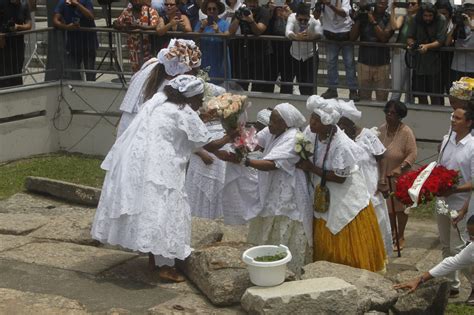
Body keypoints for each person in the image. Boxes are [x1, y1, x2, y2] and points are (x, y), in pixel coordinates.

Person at [91, 75, 235, 282]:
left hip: (142, 162)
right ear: (191, 97)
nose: (201, 103)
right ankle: (165, 265)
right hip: (161, 166)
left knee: (150, 207)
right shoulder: (183, 112)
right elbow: (208, 144)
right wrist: (231, 134)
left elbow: (193, 144)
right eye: (200, 98)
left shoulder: (159, 104)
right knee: (165, 210)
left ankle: (154, 257)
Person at [296, 95, 386, 272]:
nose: (311, 123)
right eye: (311, 118)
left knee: (342, 229)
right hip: (322, 193)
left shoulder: (342, 144)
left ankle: (350, 273)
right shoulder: (310, 133)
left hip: (344, 196)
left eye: (316, 120)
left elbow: (340, 177)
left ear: (327, 123)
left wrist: (311, 168)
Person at [230, 103, 312, 276]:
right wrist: (237, 138)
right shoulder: (272, 130)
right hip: (271, 185)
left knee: (283, 219)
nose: (270, 124)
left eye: (274, 121)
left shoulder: (294, 138)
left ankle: (286, 268)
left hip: (288, 189)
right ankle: (264, 262)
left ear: (286, 123)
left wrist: (244, 161)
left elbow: (271, 164)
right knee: (268, 217)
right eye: (271, 121)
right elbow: (251, 143)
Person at [337, 100, 393, 256]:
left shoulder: (368, 135)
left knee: (376, 218)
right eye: (338, 124)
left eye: (343, 124)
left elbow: (382, 157)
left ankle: (377, 254)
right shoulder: (339, 138)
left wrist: (382, 180)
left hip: (370, 184)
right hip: (349, 187)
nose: (340, 128)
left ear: (352, 124)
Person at [116, 39, 201, 137]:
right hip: (142, 127)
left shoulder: (151, 63)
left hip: (128, 118)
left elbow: (133, 81)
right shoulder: (171, 85)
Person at [436, 106, 474, 298]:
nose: (453, 120)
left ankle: (471, 282)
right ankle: (451, 284)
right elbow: (440, 168)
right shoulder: (446, 140)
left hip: (461, 202)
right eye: (453, 117)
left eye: (458, 118)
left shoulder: (472, 146)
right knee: (445, 244)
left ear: (468, 122)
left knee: (459, 247)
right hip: (442, 200)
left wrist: (455, 189)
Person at [394, 215, 474, 306]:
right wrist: (418, 280)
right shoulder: (472, 248)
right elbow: (450, 263)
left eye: (473, 235)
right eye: (469, 234)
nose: (470, 239)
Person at [377, 100, 417, 251]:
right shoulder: (382, 129)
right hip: (384, 174)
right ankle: (392, 233)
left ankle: (401, 236)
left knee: (401, 207)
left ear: (400, 116)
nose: (389, 115)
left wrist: (401, 167)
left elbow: (413, 153)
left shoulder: (406, 132)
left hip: (401, 176)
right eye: (387, 111)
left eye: (393, 113)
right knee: (389, 208)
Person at [313, 0, 359, 101]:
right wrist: (319, 4)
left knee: (349, 63)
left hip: (345, 35)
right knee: (331, 63)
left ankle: (353, 90)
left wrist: (329, 5)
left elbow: (343, 13)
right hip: (331, 35)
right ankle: (332, 89)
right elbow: (315, 16)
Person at [350, 0, 393, 102]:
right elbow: (352, 38)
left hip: (382, 64)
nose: (380, 5)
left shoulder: (389, 18)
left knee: (382, 98)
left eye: (383, 3)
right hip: (364, 63)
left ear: (387, 5)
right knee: (364, 97)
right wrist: (359, 18)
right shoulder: (364, 16)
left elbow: (383, 38)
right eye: (379, 2)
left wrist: (373, 21)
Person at [407, 3, 447, 105]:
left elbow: (441, 40)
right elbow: (409, 37)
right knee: (421, 96)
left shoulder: (441, 19)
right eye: (425, 16)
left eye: (430, 16)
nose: (427, 18)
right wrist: (412, 44)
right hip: (419, 63)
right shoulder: (415, 19)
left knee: (436, 96)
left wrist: (427, 46)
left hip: (435, 62)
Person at [228, 0, 272, 92]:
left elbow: (259, 31)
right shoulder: (241, 11)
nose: (252, 4)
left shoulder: (264, 12)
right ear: (245, 2)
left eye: (254, 2)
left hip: (261, 53)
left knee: (258, 84)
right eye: (250, 2)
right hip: (244, 52)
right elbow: (231, 31)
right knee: (241, 83)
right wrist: (238, 18)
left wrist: (251, 21)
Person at [53, 0, 97, 81]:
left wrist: (77, 4)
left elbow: (90, 16)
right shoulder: (63, 3)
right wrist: (66, 27)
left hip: (88, 43)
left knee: (90, 73)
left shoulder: (86, 2)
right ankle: (79, 90)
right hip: (73, 45)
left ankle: (90, 91)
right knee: (74, 73)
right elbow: (55, 20)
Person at [285, 2, 323, 95]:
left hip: (310, 56)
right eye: (300, 19)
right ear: (296, 16)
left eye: (305, 20)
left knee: (309, 85)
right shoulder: (292, 17)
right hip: (294, 55)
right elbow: (287, 31)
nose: (302, 22)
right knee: (289, 83)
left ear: (309, 17)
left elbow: (320, 33)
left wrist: (311, 37)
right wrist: (296, 37)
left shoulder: (314, 20)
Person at [113, 0, 160, 73]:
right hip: (133, 50)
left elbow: (155, 26)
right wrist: (122, 26)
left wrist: (138, 27)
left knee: (147, 74)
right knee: (135, 75)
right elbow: (116, 22)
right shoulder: (127, 12)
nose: (137, 2)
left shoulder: (150, 11)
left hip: (148, 49)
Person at [389, 0, 420, 102]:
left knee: (410, 88)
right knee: (397, 88)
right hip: (401, 52)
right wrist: (392, 9)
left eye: (413, 3)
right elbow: (395, 26)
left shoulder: (421, 19)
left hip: (416, 54)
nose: (410, 5)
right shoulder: (403, 17)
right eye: (408, 3)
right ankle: (392, 108)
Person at [195, 0, 230, 83]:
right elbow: (194, 39)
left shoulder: (225, 24)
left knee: (221, 84)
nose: (211, 11)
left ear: (218, 11)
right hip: (205, 58)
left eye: (214, 9)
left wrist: (218, 31)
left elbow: (228, 40)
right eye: (209, 9)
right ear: (206, 11)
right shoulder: (200, 23)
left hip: (220, 58)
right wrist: (202, 28)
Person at [0, 0, 31, 88]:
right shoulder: (2, 3)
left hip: (18, 45)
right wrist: (1, 35)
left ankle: (17, 93)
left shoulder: (25, 5)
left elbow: (29, 25)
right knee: (4, 72)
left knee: (17, 71)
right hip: (4, 45)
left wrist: (18, 27)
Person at [448, 0, 474, 81]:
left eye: (471, 8)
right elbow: (447, 42)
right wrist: (455, 26)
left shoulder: (471, 24)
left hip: (472, 67)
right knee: (456, 92)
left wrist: (470, 25)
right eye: (466, 8)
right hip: (457, 66)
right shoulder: (458, 21)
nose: (469, 11)